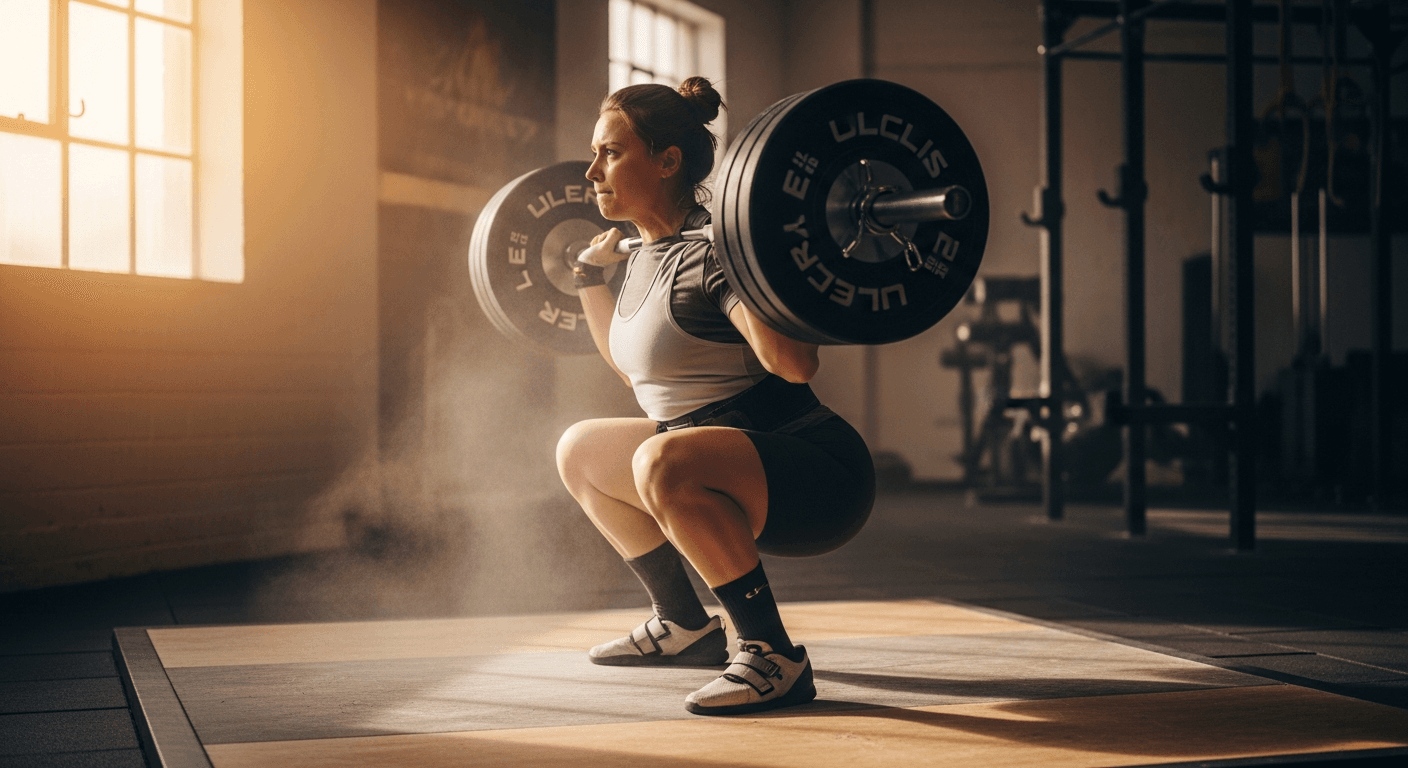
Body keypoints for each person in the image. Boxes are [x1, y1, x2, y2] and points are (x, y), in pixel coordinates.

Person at [555, 76, 876, 716]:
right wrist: (590, 280)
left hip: (816, 472)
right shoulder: (648, 256)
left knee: (661, 460)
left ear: (669, 160)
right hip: (719, 457)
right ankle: (684, 625)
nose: (592, 171)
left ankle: (770, 654)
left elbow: (793, 364)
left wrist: (752, 270)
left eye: (612, 153)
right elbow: (639, 377)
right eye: (595, 153)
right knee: (581, 450)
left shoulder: (711, 254)